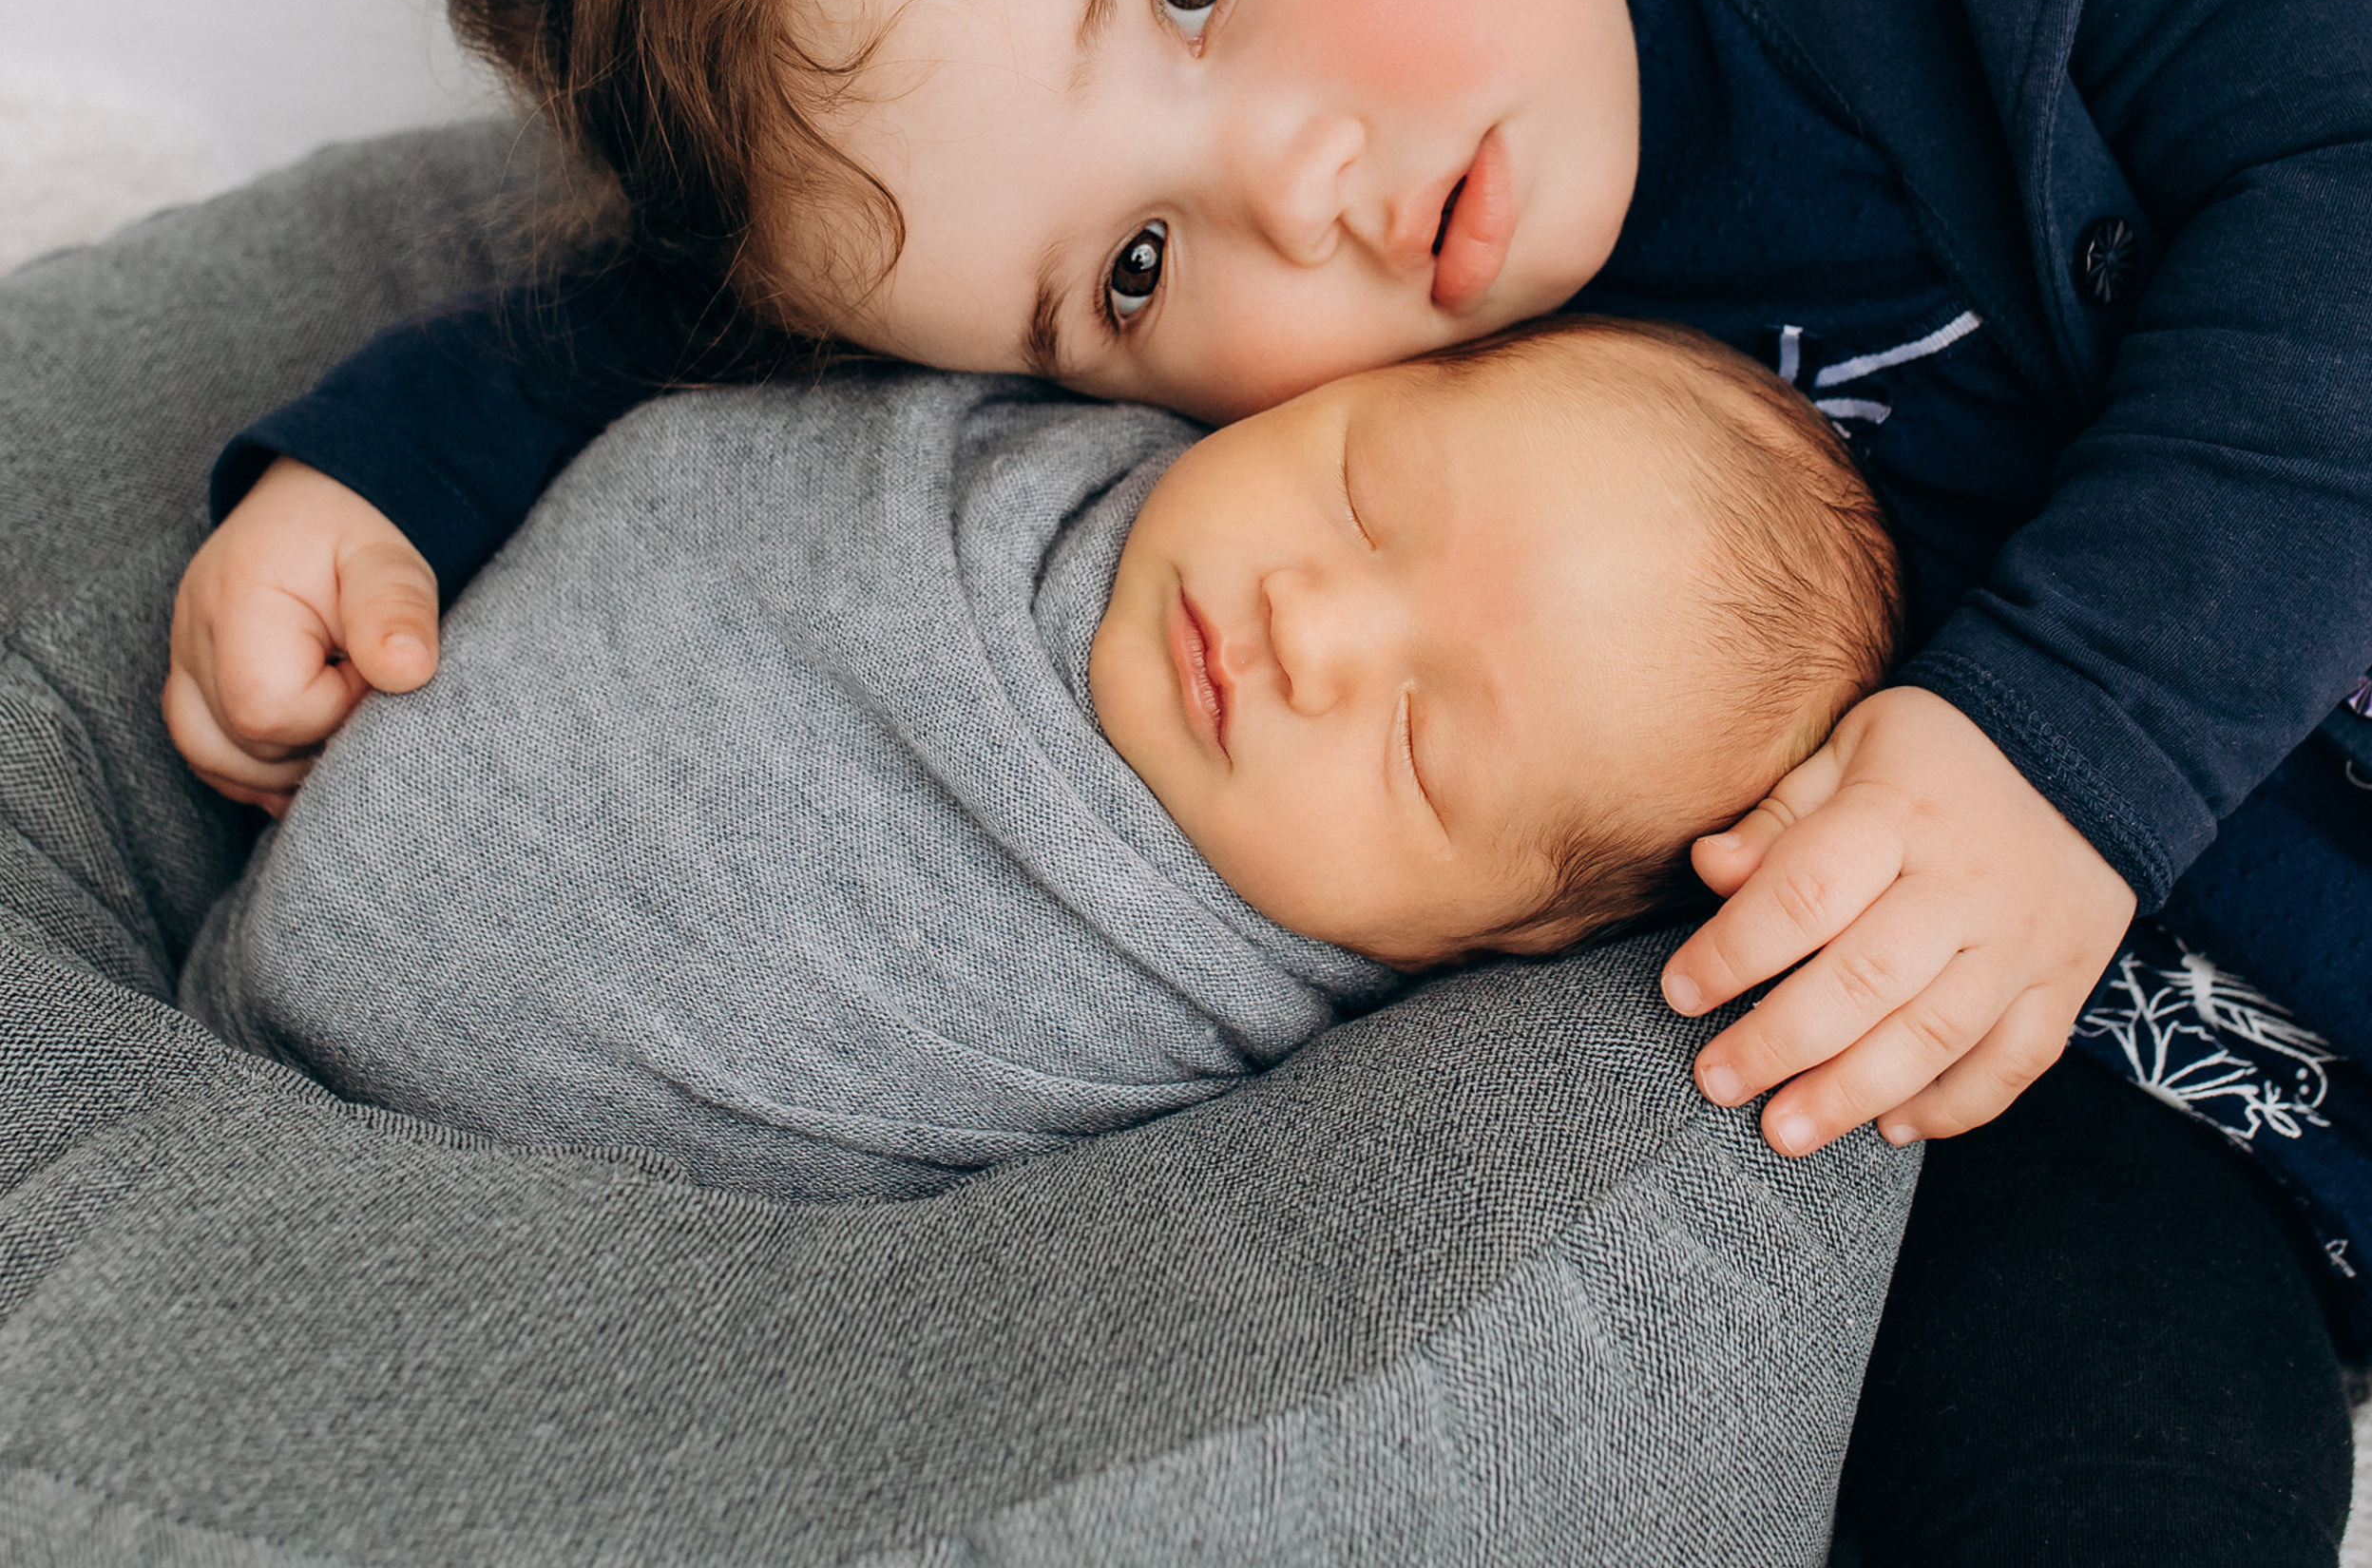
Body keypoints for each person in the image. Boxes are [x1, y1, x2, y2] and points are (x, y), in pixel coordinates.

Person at [162, 0, 2372, 1560]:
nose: (1286, 190)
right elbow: (678, 315)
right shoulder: (1140, 327)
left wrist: (2058, 740)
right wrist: (376, 471)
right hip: (2082, 1084)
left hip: (2267, 713)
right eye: (1132, 272)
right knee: (2071, 1451)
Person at [182, 316, 1902, 1198]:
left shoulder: (1255, 1062)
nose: (1315, 628)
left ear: (1504, 932)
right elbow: (664, 327)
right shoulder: (1044, 392)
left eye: (1419, 741)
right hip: (259, 904)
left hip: (421, 1220)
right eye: (1367, 494)